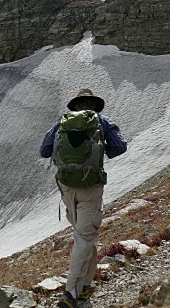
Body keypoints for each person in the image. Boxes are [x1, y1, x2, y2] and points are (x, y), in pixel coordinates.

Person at [40, 88, 127, 308]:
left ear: (76, 105)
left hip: (67, 187)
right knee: (85, 237)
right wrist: (99, 150)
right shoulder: (101, 121)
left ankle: (86, 285)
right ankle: (71, 294)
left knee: (84, 235)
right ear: (94, 105)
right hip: (91, 186)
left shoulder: (62, 123)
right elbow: (119, 147)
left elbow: (44, 150)